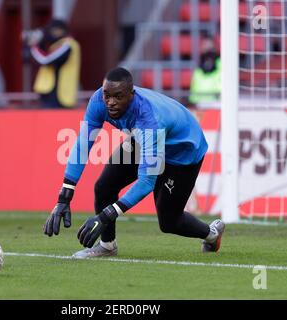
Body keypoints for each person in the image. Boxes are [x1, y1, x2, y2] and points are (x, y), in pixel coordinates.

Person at [43, 67, 225, 258]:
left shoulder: (148, 120)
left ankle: (212, 234)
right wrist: (64, 196)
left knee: (169, 222)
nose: (111, 103)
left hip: (182, 151)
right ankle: (107, 246)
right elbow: (82, 145)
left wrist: (105, 216)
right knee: (104, 187)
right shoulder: (98, 101)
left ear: (131, 95)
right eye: (107, 95)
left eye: (118, 97)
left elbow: (146, 182)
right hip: (144, 141)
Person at [27, 19, 81, 109]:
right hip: (50, 92)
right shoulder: (56, 45)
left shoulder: (68, 45)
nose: (53, 33)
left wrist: (34, 46)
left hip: (60, 95)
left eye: (55, 30)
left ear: (63, 30)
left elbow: (45, 60)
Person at [189, 36, 221, 106]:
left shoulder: (221, 63)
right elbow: (195, 84)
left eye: (209, 46)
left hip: (217, 101)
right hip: (199, 101)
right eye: (205, 45)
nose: (207, 48)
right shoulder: (198, 64)